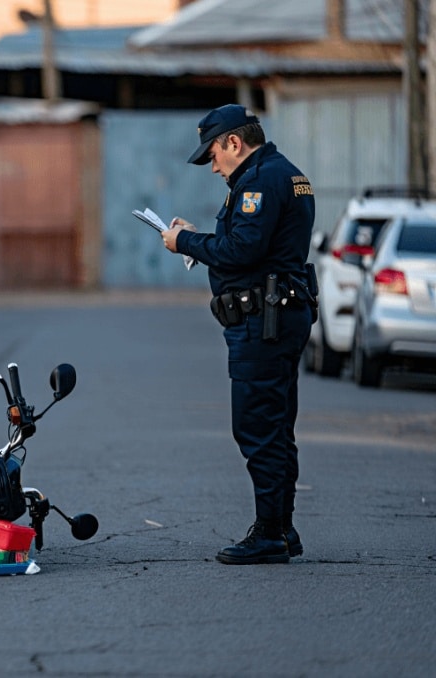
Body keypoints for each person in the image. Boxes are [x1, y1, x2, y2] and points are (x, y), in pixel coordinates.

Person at [161, 103, 317, 565]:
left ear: (235, 142)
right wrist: (200, 239)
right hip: (275, 316)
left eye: (213, 154)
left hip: (263, 323)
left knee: (257, 428)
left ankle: (271, 533)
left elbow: (243, 249)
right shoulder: (278, 174)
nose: (212, 166)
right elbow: (249, 246)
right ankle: (282, 529)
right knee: (274, 426)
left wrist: (184, 242)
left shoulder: (261, 180)